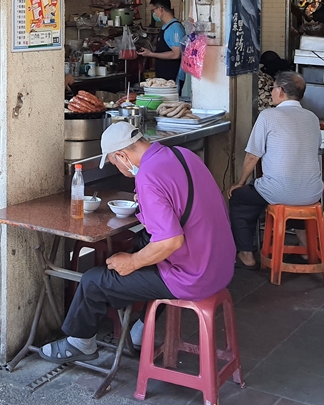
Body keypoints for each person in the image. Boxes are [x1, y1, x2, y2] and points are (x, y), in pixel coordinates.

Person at [39, 122, 235, 362]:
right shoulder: (181, 154)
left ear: (122, 155)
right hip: (221, 262)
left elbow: (170, 241)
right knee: (141, 243)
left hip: (195, 275)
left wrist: (131, 262)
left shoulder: (148, 177)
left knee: (95, 280)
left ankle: (80, 344)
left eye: (113, 162)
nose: (118, 167)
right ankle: (141, 330)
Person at [226, 71, 322, 268]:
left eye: (273, 88)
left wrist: (240, 182)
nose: (271, 92)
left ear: (281, 91)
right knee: (293, 193)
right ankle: (307, 247)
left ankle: (246, 253)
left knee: (240, 199)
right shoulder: (312, 118)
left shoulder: (269, 115)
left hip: (281, 191)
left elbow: (253, 156)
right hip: (313, 193)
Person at [138, 0, 185, 84]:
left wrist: (151, 54)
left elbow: (176, 54)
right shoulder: (165, 26)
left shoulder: (175, 28)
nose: (153, 14)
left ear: (160, 9)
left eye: (153, 10)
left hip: (173, 77)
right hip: (164, 75)